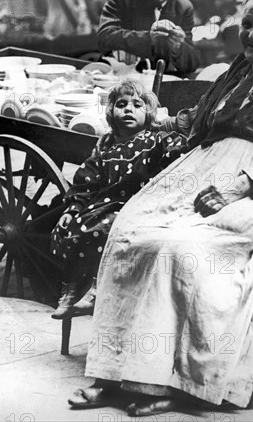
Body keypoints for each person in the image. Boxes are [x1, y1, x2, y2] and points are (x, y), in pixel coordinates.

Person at [68, 0, 253, 415]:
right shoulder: (241, 67)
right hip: (201, 172)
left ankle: (174, 382)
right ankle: (115, 373)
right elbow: (205, 114)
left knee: (181, 250)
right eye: (248, 25)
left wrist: (239, 186)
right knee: (130, 234)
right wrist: (163, 120)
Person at [50, 80, 187, 319]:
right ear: (111, 111)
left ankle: (96, 287)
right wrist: (71, 210)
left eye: (137, 105)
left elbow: (174, 150)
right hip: (102, 205)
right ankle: (71, 288)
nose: (128, 109)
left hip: (136, 206)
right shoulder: (105, 147)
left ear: (149, 113)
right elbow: (85, 181)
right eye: (121, 104)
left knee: (105, 229)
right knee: (72, 227)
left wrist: (181, 143)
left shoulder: (155, 141)